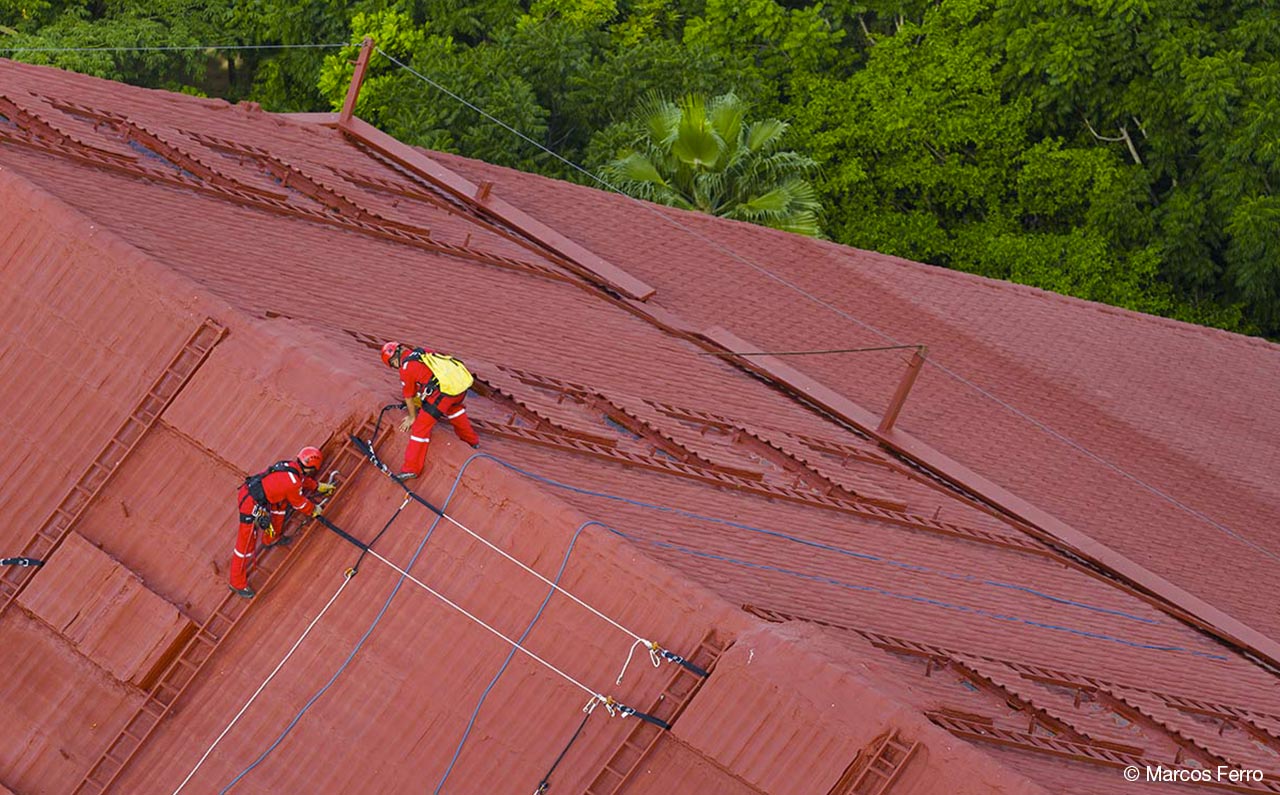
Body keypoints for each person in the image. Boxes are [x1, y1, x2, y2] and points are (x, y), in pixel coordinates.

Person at [229, 446, 331, 598]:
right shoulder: (293, 482)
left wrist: (317, 486)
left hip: (256, 493)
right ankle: (236, 582)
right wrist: (314, 509)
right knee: (246, 546)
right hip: (250, 504)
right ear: (311, 468)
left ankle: (271, 538)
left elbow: (300, 480)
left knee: (280, 506)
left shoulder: (290, 466)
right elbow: (300, 503)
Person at [380, 342, 479, 480]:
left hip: (442, 396)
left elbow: (409, 396)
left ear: (393, 360)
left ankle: (411, 468)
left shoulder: (405, 368)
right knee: (455, 410)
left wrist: (412, 416)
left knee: (420, 428)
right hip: (458, 389)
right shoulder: (421, 352)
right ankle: (471, 441)